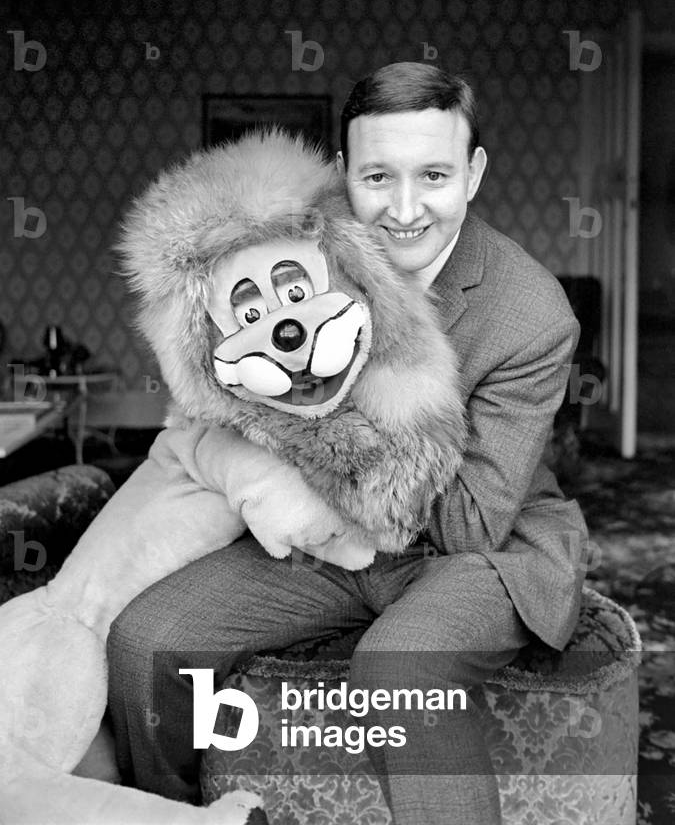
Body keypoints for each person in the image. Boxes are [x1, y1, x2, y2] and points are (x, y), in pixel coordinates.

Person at [107, 61, 589, 825]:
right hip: (325, 539)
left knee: (398, 666)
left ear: (472, 173)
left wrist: (298, 415)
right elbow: (212, 383)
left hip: (479, 548)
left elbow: (467, 522)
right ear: (342, 173)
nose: (402, 209)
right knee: (145, 643)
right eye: (376, 177)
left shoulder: (530, 312)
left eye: (431, 174)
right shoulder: (298, 251)